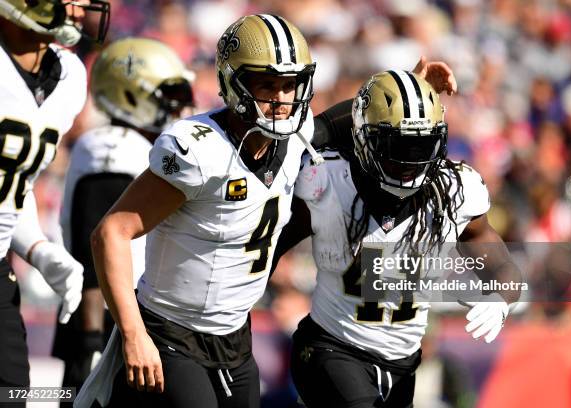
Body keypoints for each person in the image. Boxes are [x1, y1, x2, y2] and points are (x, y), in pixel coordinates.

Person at [76, 14, 458, 408]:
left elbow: (350, 120)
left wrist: (414, 88)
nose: (280, 99)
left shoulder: (294, 138)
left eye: (290, 85)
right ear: (234, 83)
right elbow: (111, 233)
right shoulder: (199, 151)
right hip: (172, 331)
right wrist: (133, 334)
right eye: (266, 85)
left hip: (235, 339)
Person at [272, 70, 521, 408]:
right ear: (363, 137)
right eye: (398, 145)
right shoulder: (328, 179)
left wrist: (500, 299)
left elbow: (503, 267)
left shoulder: (454, 193)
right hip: (331, 348)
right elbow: (266, 250)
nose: (410, 160)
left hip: (403, 365)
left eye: (421, 144)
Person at [51, 36, 194, 402]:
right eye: (170, 97)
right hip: (109, 325)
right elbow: (94, 247)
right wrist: (93, 341)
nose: (180, 108)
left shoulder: (139, 148)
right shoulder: (114, 149)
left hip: (124, 321)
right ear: (131, 96)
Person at [0, 0, 109, 399]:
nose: (79, 11)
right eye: (68, 0)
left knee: (11, 393)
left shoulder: (69, 75)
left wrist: (38, 248)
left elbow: (11, 183)